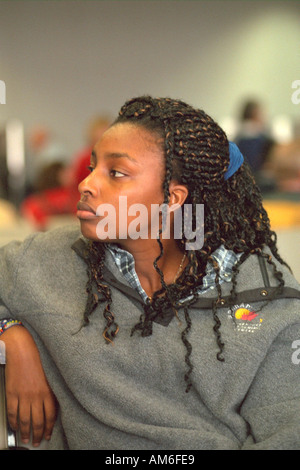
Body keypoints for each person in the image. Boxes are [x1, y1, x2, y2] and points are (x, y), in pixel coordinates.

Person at [0, 96, 299, 450]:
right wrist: (10, 336)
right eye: (93, 167)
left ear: (173, 198)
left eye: (116, 173)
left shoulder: (262, 292)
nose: (86, 184)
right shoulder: (49, 260)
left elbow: (287, 431)